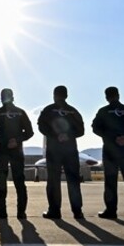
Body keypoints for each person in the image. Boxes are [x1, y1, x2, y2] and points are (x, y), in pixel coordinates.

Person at [91, 86, 124, 219]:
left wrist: (111, 138)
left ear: (106, 97)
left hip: (110, 150)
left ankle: (111, 210)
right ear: (118, 95)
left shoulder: (103, 111)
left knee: (110, 182)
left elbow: (95, 128)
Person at [37, 85, 85, 219]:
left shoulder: (48, 110)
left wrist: (55, 135)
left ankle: (54, 210)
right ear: (67, 95)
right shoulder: (73, 111)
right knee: (73, 180)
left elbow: (41, 126)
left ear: (54, 95)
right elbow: (81, 131)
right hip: (70, 149)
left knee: (53, 180)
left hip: (54, 150)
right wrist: (68, 136)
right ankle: (77, 211)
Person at [0, 88, 34, 218]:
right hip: (16, 150)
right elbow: (29, 132)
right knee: (19, 181)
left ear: (1, 98)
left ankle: (1, 211)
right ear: (12, 97)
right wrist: (17, 140)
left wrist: (3, 140)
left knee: (1, 181)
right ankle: (21, 212)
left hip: (2, 150)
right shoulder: (20, 113)